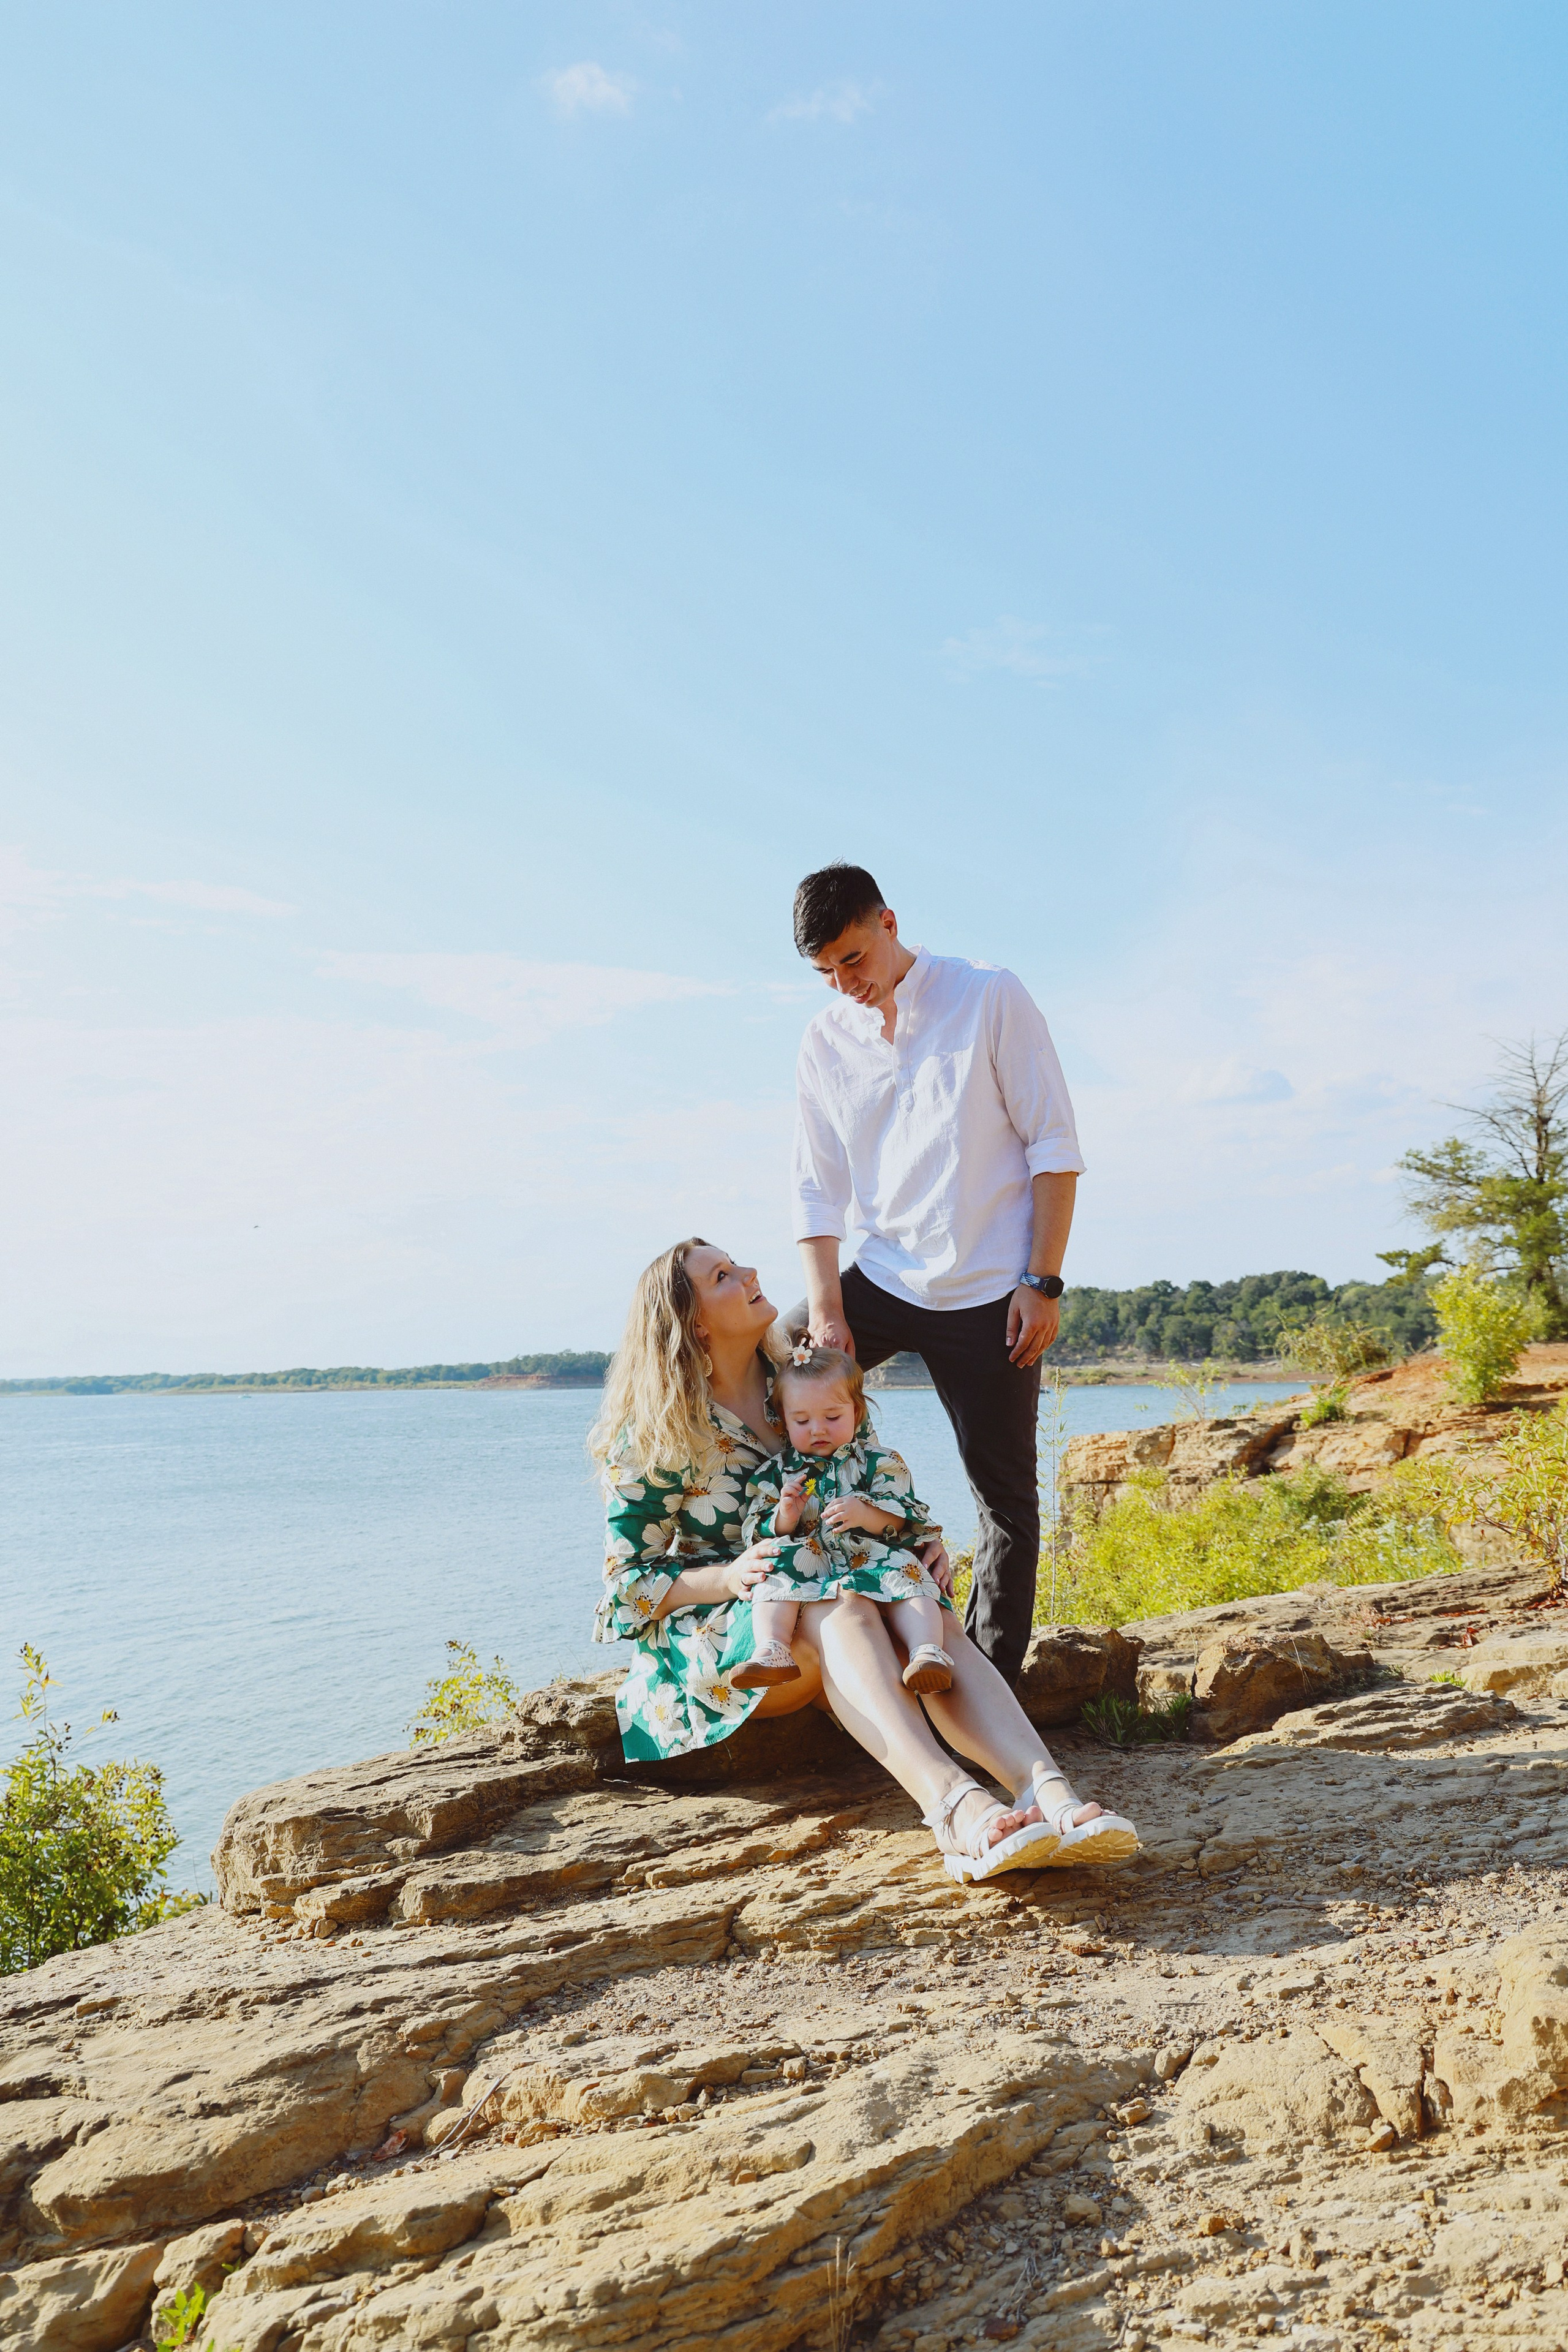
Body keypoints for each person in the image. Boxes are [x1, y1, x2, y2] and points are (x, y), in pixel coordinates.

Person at [590, 1235, 1138, 1881]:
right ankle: (955, 1810)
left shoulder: (808, 1378)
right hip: (737, 1633)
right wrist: (730, 1577)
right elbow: (625, 1589)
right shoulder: (657, 1431)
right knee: (841, 1605)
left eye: (737, 1263)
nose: (750, 1272)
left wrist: (916, 1542)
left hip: (838, 1591)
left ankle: (1046, 1791)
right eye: (723, 1276)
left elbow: (876, 1485)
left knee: (926, 1612)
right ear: (694, 1323)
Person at [790, 861, 1084, 1687]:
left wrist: (1044, 1280)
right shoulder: (824, 1039)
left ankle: (991, 1688)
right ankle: (796, 1615)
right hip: (881, 1279)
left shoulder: (989, 995)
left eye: (852, 959)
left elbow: (1053, 1148)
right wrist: (827, 1309)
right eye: (826, 972)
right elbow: (816, 1187)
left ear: (889, 923)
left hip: (992, 1292)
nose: (844, 984)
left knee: (1008, 1507)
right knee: (760, 1375)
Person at [733, 1342, 952, 1697]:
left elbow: (907, 1518)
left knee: (908, 1574)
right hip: (810, 1559)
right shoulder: (776, 1473)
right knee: (773, 1570)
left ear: (857, 1412)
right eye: (802, 1421)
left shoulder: (879, 1462)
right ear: (784, 1421)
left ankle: (926, 1651)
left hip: (871, 1554)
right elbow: (755, 1532)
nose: (818, 1429)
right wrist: (783, 1517)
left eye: (832, 1418)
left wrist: (868, 1513)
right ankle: (772, 1648)